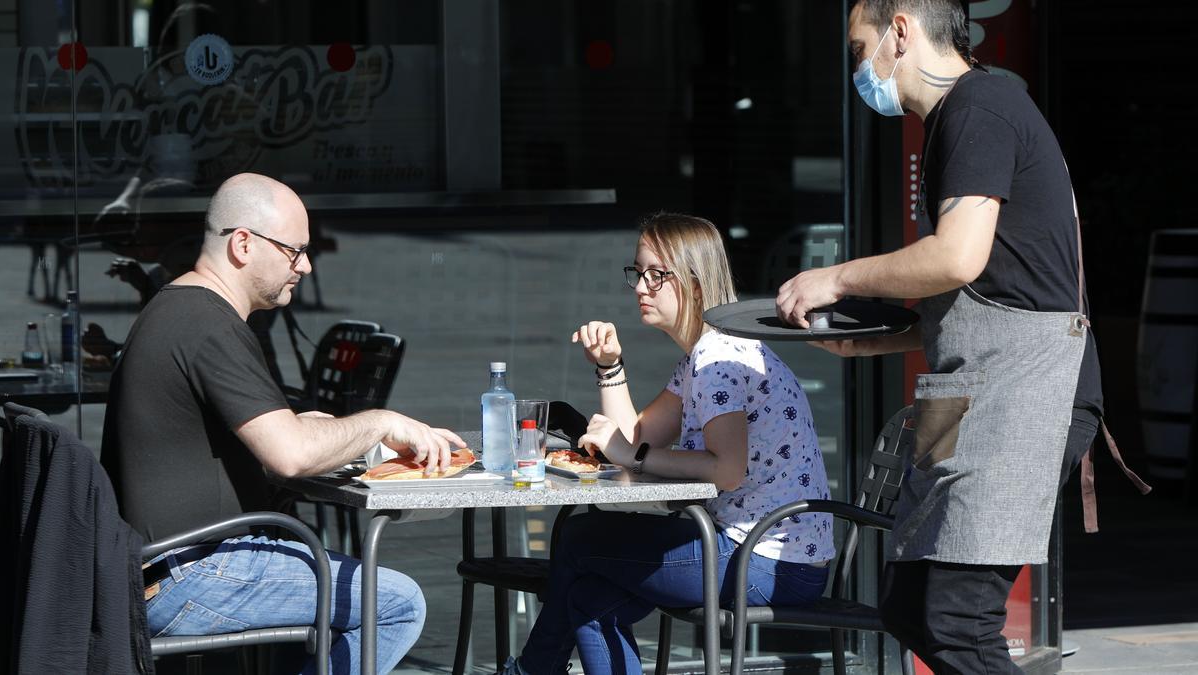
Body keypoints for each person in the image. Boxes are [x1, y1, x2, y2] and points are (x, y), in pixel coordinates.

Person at [774, 2, 1144, 672]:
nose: (857, 66)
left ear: (903, 30)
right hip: (972, 389)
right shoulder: (961, 117)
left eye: (860, 47)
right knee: (910, 603)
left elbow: (958, 257)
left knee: (958, 618)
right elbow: (995, 289)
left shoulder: (980, 109)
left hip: (1026, 393)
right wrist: (875, 341)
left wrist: (836, 279)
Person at [101, 173, 465, 674]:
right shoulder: (208, 325)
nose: (307, 266)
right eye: (295, 251)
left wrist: (305, 427)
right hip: (192, 570)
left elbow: (244, 438)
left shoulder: (176, 308)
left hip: (158, 566)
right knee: (397, 603)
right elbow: (289, 455)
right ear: (244, 244)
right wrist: (380, 423)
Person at [498, 213, 835, 675]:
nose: (640, 287)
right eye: (637, 273)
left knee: (580, 538)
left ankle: (528, 672)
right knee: (592, 601)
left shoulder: (717, 357)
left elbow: (726, 469)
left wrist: (632, 455)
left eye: (657, 276)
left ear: (696, 285)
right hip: (759, 551)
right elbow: (635, 437)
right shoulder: (705, 353)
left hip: (767, 560)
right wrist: (610, 366)